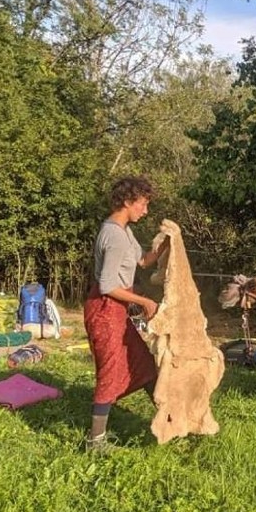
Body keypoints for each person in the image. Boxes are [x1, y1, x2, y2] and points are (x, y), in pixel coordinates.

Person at [83, 176, 169, 451]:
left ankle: (169, 416)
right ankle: (95, 442)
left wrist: (168, 245)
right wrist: (144, 301)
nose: (145, 211)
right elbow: (108, 285)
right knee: (111, 371)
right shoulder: (114, 236)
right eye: (143, 204)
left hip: (116, 311)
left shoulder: (124, 231)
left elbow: (143, 261)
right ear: (128, 202)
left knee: (142, 362)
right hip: (104, 309)